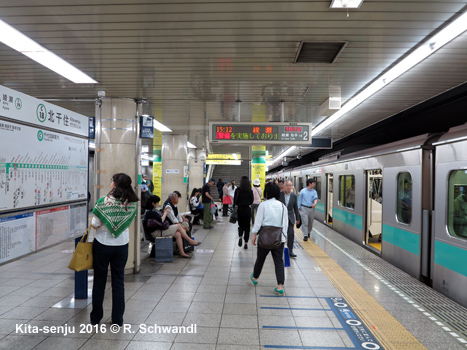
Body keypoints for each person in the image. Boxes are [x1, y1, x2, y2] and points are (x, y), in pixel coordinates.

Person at [90, 173, 139, 327]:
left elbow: (95, 224)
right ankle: (117, 319)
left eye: (112, 181)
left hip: (102, 245)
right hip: (122, 245)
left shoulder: (103, 202)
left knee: (99, 281)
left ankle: (96, 318)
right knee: (119, 282)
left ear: (115, 184)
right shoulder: (132, 203)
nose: (111, 183)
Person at [250, 182, 288, 295]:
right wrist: (284, 237)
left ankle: (255, 278)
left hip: (264, 238)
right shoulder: (282, 206)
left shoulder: (263, 205)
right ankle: (280, 286)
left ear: (267, 192)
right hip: (278, 238)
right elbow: (285, 224)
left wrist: (254, 234)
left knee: (260, 259)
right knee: (279, 262)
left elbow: (258, 221)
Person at [280, 180, 300, 258]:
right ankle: (279, 250)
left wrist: (298, 218)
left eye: (290, 186)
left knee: (291, 234)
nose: (289, 187)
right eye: (287, 185)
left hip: (290, 217)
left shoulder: (294, 196)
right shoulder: (280, 195)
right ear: (284, 186)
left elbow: (295, 208)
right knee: (280, 234)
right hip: (281, 217)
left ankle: (290, 251)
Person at [234, 176, 253, 249]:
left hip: (240, 210)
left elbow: (235, 201)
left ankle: (240, 237)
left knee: (240, 225)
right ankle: (246, 243)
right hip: (247, 210)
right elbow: (251, 201)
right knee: (247, 226)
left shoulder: (237, 190)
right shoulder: (250, 191)